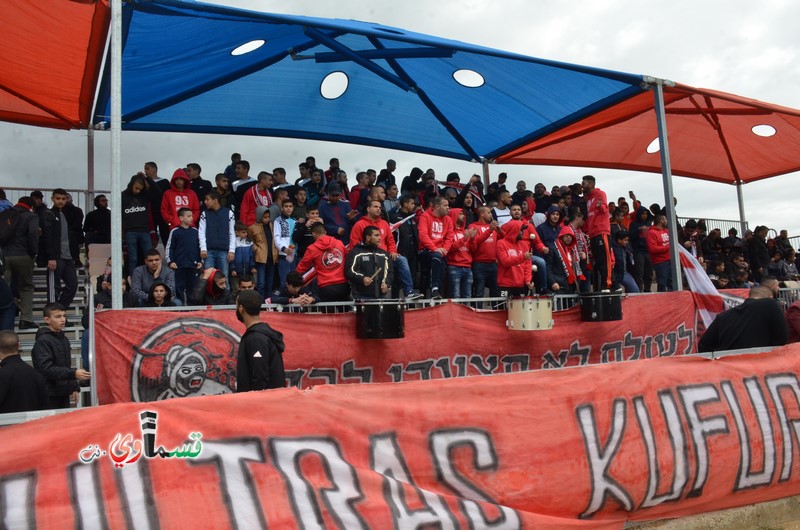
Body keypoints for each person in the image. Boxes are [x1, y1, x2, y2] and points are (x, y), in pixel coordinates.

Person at [350, 199, 421, 299]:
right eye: (375, 207)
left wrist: (393, 251)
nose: (378, 209)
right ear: (368, 209)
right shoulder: (359, 224)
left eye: (380, 207)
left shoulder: (384, 223)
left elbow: (391, 241)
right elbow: (355, 245)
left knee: (402, 260)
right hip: (367, 259)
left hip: (385, 257)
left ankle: (409, 291)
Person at [32, 303, 91, 409]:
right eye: (58, 316)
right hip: (48, 394)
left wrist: (74, 386)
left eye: (64, 316)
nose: (63, 319)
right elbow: (46, 369)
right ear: (47, 320)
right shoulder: (43, 341)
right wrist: (73, 373)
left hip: (62, 391)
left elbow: (66, 364)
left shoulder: (64, 339)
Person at [699, 286, 787, 352]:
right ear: (770, 297)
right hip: (759, 366)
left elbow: (704, 345)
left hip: (728, 369)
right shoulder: (770, 304)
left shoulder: (723, 316)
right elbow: (781, 338)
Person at [235, 289, 285, 392]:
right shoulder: (258, 335)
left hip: (261, 404)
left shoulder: (256, 339)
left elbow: (260, 378)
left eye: (236, 305)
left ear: (241, 309)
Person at [40, 188, 79, 317]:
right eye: (58, 198)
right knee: (53, 289)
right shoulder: (48, 214)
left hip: (67, 257)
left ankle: (59, 312)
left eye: (63, 199)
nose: (61, 201)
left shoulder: (64, 214)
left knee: (73, 285)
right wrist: (51, 257)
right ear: (52, 199)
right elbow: (47, 236)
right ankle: (52, 316)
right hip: (55, 257)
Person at [2, 196, 39, 329]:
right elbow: (33, 234)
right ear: (31, 206)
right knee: (26, 287)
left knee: (3, 286)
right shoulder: (31, 216)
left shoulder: (6, 214)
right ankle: (26, 320)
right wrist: (33, 252)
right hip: (23, 255)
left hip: (4, 256)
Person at [294, 222, 350, 302]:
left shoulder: (312, 249)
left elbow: (301, 268)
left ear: (313, 234)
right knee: (345, 313)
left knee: (328, 314)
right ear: (325, 232)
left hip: (326, 287)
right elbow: (347, 260)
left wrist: (293, 280)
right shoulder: (339, 243)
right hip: (343, 285)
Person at [0, 330, 49, 413]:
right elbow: (45, 406)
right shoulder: (36, 374)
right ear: (18, 346)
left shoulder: (2, 374)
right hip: (32, 424)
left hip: (7, 424)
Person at [417, 196, 454, 299]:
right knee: (436, 258)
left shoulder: (448, 219)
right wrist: (435, 248)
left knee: (439, 259)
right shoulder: (425, 216)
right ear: (437, 206)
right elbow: (423, 235)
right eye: (445, 205)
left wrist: (444, 250)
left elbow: (449, 238)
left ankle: (435, 292)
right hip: (424, 250)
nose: (448, 208)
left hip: (440, 252)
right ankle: (434, 289)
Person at [582, 175, 613, 291]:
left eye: (584, 183)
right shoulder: (588, 198)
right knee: (599, 261)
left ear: (590, 184)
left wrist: (601, 207)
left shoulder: (600, 194)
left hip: (601, 231)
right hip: (593, 233)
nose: (582, 186)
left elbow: (605, 209)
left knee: (605, 259)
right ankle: (605, 285)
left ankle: (610, 285)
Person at [165, 208, 202, 304]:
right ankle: (180, 308)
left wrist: (200, 261)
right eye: (188, 216)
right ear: (181, 218)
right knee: (179, 287)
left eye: (192, 216)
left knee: (192, 288)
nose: (191, 218)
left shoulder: (195, 231)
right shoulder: (175, 231)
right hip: (179, 265)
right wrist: (170, 261)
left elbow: (200, 248)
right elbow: (170, 247)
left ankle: (192, 309)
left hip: (192, 265)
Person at [345, 226, 394, 300]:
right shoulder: (356, 252)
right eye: (376, 235)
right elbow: (349, 271)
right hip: (361, 297)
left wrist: (387, 283)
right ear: (368, 237)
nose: (380, 238)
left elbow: (390, 272)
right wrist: (362, 279)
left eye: (380, 235)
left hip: (382, 297)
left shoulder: (384, 254)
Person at [199, 191, 235, 279]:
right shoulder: (204, 214)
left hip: (223, 251)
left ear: (215, 200)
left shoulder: (229, 213)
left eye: (207, 199)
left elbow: (232, 233)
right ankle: (207, 293)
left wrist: (232, 250)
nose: (205, 202)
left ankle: (226, 293)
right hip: (208, 251)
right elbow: (201, 232)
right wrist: (203, 248)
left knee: (224, 277)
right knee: (208, 277)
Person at [121, 175, 152, 276]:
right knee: (132, 258)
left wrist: (147, 179)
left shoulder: (145, 195)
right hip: (130, 231)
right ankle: (134, 281)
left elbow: (157, 193)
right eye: (136, 188)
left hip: (144, 230)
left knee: (150, 256)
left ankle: (150, 278)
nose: (138, 191)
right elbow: (118, 215)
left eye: (140, 188)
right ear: (131, 184)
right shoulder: (122, 196)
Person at [496, 220, 534, 297]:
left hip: (521, 286)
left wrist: (527, 280)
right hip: (505, 285)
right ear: (514, 230)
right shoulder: (501, 243)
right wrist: (523, 257)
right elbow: (505, 262)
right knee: (504, 309)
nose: (523, 232)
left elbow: (528, 265)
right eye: (521, 230)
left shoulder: (524, 245)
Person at [469, 206, 500, 298]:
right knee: (479, 291)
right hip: (479, 263)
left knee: (495, 291)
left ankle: (496, 312)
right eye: (489, 213)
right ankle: (478, 312)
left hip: (493, 263)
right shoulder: (473, 226)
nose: (491, 215)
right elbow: (476, 241)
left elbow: (503, 240)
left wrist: (500, 231)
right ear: (482, 214)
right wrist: (490, 230)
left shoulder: (494, 228)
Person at [446, 208, 477, 298]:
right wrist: (464, 239)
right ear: (454, 216)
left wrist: (472, 239)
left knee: (468, 296)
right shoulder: (449, 232)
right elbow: (450, 248)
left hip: (468, 267)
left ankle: (466, 313)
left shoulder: (465, 232)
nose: (463, 216)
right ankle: (455, 313)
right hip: (454, 266)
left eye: (463, 214)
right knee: (455, 295)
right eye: (460, 214)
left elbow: (473, 250)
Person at [248, 206, 277, 297]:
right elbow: (250, 241)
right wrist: (256, 249)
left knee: (269, 283)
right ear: (259, 216)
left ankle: (268, 304)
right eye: (265, 217)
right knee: (261, 283)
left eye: (268, 217)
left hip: (272, 257)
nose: (267, 219)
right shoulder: (252, 228)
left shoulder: (272, 226)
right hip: (261, 258)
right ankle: (261, 303)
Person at [144, 161, 172, 246]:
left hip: (162, 211)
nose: (145, 171)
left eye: (147, 168)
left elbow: (163, 195)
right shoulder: (144, 183)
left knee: (165, 235)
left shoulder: (164, 182)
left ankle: (168, 256)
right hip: (150, 212)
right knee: (151, 236)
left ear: (154, 169)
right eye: (145, 169)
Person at [629, 205, 653, 292]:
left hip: (648, 251)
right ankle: (639, 289)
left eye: (646, 214)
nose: (644, 216)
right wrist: (638, 230)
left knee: (649, 272)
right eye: (642, 214)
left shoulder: (649, 224)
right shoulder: (634, 224)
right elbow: (630, 236)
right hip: (638, 251)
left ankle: (647, 288)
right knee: (639, 272)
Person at [273, 199, 297, 287]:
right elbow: (276, 238)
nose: (288, 209)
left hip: (294, 254)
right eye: (286, 206)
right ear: (282, 208)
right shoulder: (278, 221)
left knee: (294, 281)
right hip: (283, 254)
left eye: (290, 206)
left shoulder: (295, 221)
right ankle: (285, 299)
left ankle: (293, 299)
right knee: (284, 280)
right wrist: (283, 249)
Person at [647, 214, 672, 292]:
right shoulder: (651, 233)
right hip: (660, 262)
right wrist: (668, 247)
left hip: (670, 260)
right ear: (661, 221)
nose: (667, 221)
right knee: (662, 284)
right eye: (665, 219)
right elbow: (653, 248)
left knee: (671, 283)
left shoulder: (667, 231)